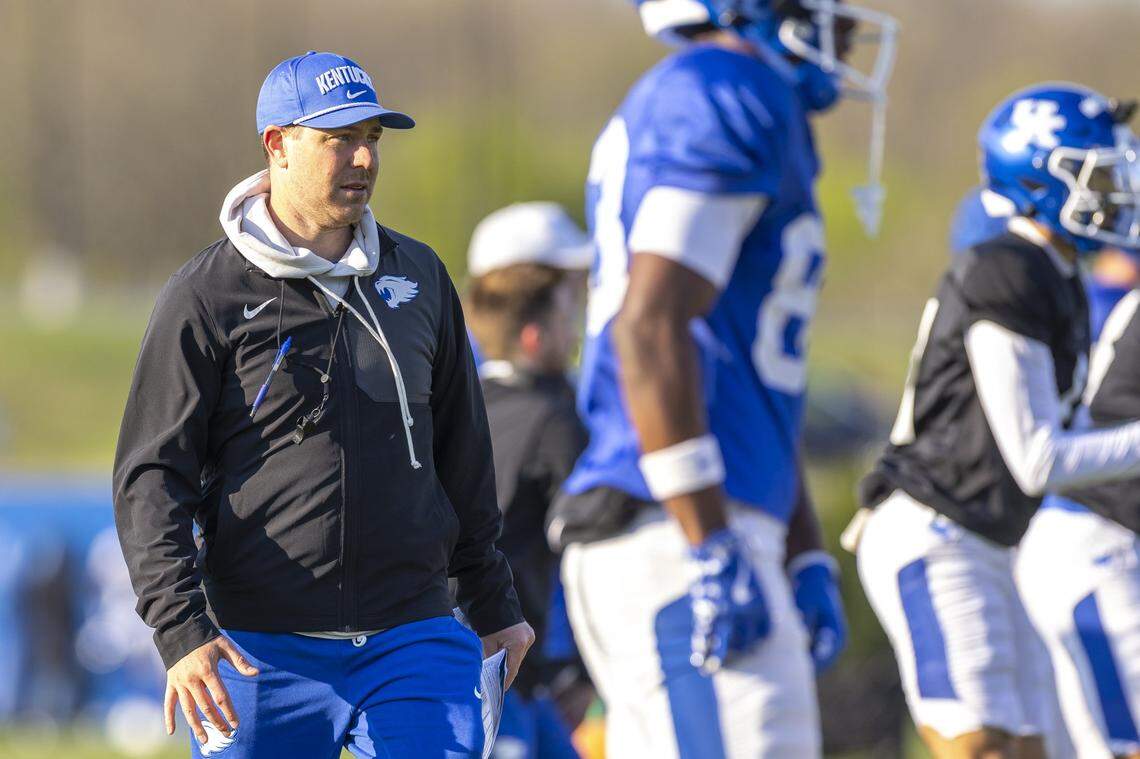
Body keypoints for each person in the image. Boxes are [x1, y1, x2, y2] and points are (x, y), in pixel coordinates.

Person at [112, 51, 533, 758]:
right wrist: (181, 632)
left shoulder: (421, 277)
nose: (363, 158)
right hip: (256, 652)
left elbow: (463, 457)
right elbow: (150, 479)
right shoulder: (205, 296)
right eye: (340, 139)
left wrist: (495, 605)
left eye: (372, 137)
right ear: (276, 145)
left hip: (414, 637)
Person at [548, 1, 898, 756]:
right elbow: (649, 325)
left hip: (699, 517)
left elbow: (743, 378)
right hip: (673, 526)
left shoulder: (731, 89)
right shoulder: (722, 87)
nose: (843, 21)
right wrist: (708, 539)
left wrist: (800, 545)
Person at [853, 83, 1140, 759]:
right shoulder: (1007, 267)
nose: (1118, 189)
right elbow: (1037, 457)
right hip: (938, 529)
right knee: (980, 746)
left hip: (992, 537)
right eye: (1099, 174)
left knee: (1035, 749)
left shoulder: (1057, 273)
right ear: (1041, 180)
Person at [464, 202, 593, 759]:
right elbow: (591, 545)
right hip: (509, 665)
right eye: (570, 300)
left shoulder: (457, 404)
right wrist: (584, 668)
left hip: (490, 663)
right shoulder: (555, 417)